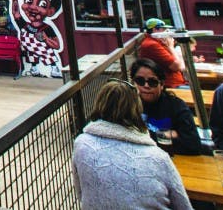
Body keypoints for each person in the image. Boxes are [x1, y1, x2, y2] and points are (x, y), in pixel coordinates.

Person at [72, 79, 192, 210]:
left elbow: (81, 194)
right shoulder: (159, 158)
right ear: (136, 108)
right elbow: (183, 205)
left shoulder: (81, 144)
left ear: (99, 103)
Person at [130, 58, 202, 155]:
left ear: (162, 84)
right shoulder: (128, 105)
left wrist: (140, 136)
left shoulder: (176, 106)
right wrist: (169, 134)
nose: (146, 85)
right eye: (140, 81)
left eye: (153, 82)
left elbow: (193, 145)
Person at [138, 18, 187, 88]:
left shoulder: (158, 42)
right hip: (170, 85)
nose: (167, 32)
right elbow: (177, 66)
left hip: (176, 82)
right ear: (155, 30)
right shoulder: (152, 45)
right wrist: (171, 47)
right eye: (164, 29)